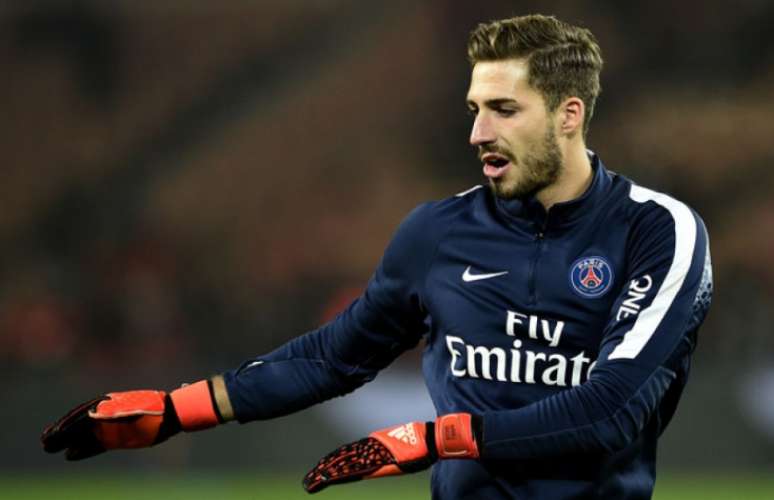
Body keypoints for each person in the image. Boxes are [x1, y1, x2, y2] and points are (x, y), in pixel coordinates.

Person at [41, 14, 713, 500]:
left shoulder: (658, 232)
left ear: (570, 114)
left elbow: (609, 412)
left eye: (505, 110)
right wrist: (174, 410)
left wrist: (433, 439)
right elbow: (333, 356)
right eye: (476, 109)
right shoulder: (437, 232)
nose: (479, 132)